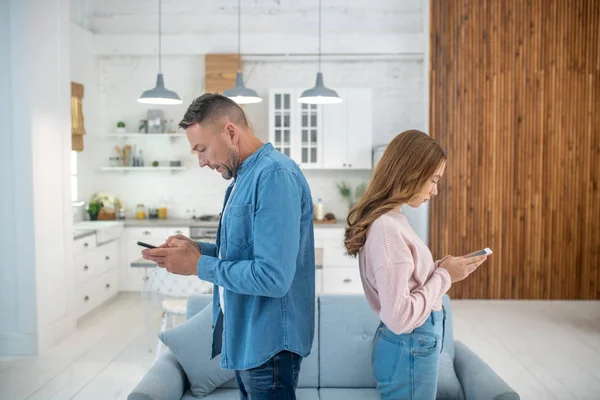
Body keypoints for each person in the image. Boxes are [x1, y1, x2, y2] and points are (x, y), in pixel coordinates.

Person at [143, 93, 315, 400]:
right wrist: (194, 250)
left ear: (230, 132)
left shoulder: (275, 175)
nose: (202, 161)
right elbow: (241, 254)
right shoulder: (243, 178)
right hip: (247, 340)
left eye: (203, 149)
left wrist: (198, 266)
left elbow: (272, 277)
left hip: (269, 347)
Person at [344, 130, 489, 400]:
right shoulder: (388, 229)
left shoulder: (393, 220)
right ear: (410, 172)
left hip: (410, 347)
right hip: (410, 344)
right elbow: (400, 318)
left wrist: (437, 269)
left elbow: (404, 279)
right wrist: (445, 276)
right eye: (433, 180)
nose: (435, 190)